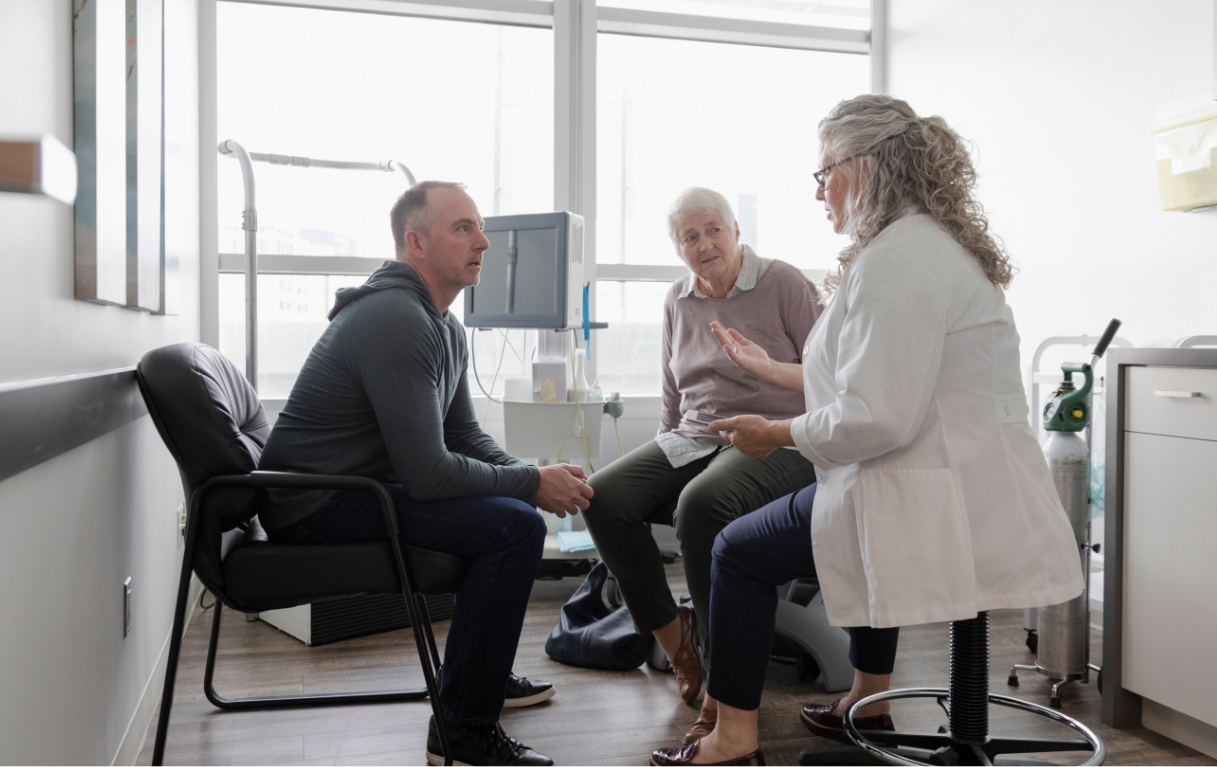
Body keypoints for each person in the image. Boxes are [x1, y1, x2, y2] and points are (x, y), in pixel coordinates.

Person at [649, 96, 1085, 767]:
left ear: (868, 166)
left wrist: (775, 432)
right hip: (957, 482)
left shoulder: (897, 262)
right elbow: (870, 378)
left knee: (735, 550)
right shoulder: (920, 245)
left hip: (922, 490)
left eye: (825, 171)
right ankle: (869, 700)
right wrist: (772, 372)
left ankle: (733, 738)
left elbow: (877, 414)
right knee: (777, 532)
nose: (819, 189)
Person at [258, 181, 594, 767]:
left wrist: (532, 473)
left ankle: (478, 676)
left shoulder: (441, 324)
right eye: (463, 228)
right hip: (312, 502)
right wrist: (532, 485)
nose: (484, 242)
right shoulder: (395, 317)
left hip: (354, 487)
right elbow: (429, 476)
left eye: (480, 227)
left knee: (510, 514)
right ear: (416, 243)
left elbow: (463, 437)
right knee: (514, 528)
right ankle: (462, 732)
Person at [580, 187, 821, 741]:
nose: (704, 243)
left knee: (701, 505)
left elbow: (830, 373)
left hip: (777, 438)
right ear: (678, 248)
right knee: (602, 495)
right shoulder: (678, 298)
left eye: (714, 229)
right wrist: (663, 446)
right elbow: (672, 385)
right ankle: (676, 642)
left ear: (736, 231)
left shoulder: (783, 283)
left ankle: (722, 683)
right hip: (694, 436)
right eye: (690, 236)